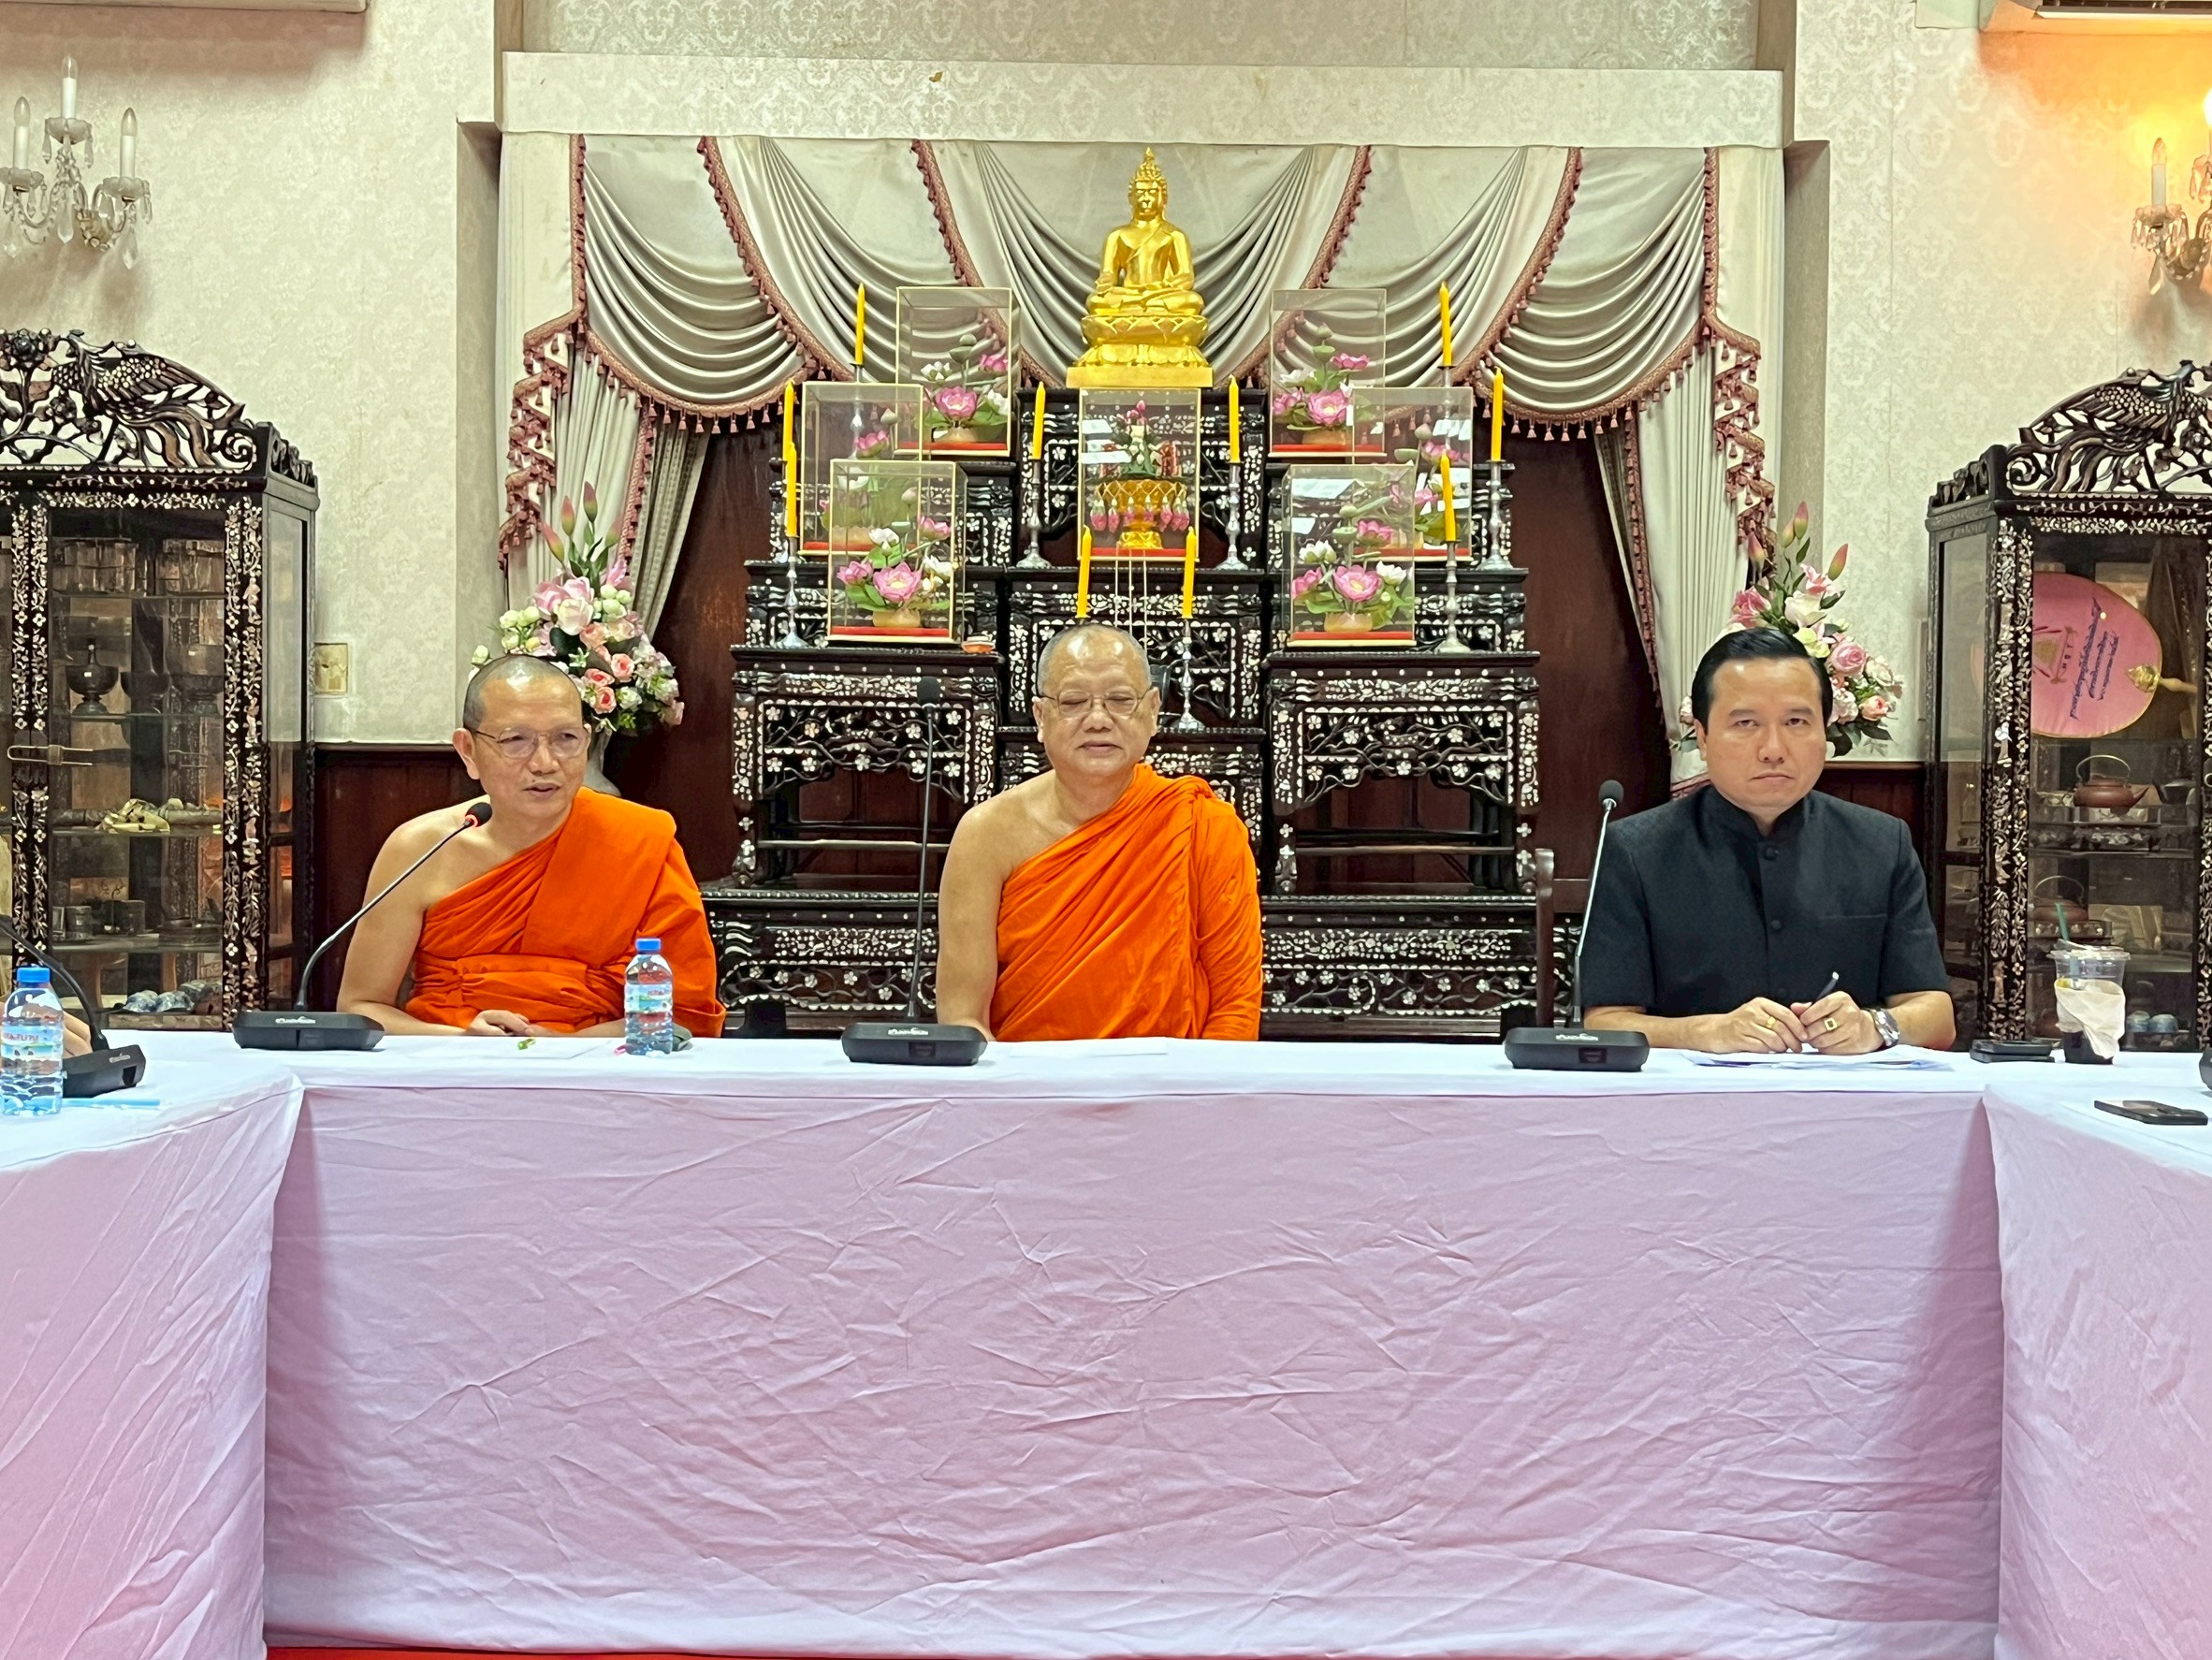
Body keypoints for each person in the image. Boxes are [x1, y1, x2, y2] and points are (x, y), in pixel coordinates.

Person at [1580, 627, 1954, 1054]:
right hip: (1692, 1092)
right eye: (1746, 723)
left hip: (1840, 1091)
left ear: (1825, 731)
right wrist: (1705, 1032)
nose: (1773, 749)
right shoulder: (1635, 849)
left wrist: (1874, 1026)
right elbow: (1605, 1023)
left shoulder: (1882, 843)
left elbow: (1937, 1015)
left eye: (1796, 722)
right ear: (1702, 736)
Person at [336, 654, 725, 1038]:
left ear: (587, 742)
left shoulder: (639, 841)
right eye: (516, 740)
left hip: (598, 1069)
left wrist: (562, 1048)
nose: (544, 763)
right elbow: (361, 1007)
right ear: (468, 750)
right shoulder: (420, 850)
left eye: (565, 739)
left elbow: (682, 1016)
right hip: (453, 1068)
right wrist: (463, 1042)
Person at [934, 623, 1260, 1041]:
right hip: (1028, 1078)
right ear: (1040, 716)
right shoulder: (986, 835)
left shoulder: (1203, 826)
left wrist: (1195, 1084)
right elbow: (963, 1020)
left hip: (1169, 1078)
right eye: (1073, 701)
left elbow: (1235, 1005)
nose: (1098, 720)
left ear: (1153, 710)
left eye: (1121, 700)